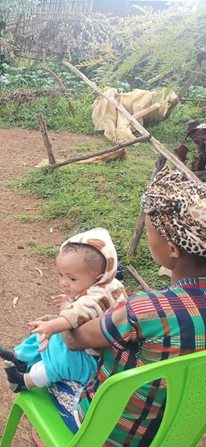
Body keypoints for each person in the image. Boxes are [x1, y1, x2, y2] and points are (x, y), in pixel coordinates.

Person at [48, 167, 206, 445]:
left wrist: (66, 311)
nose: (147, 239)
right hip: (180, 435)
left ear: (172, 248)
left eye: (150, 233)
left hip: (114, 434)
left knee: (55, 365)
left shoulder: (146, 310)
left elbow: (73, 340)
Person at [0, 228, 127, 392]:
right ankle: (20, 359)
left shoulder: (100, 295)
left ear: (98, 278)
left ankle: (24, 382)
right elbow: (86, 315)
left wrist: (60, 316)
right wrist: (60, 316)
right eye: (60, 275)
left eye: (72, 278)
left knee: (63, 357)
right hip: (88, 344)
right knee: (47, 333)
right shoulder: (107, 284)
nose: (63, 282)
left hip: (97, 362)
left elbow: (79, 312)